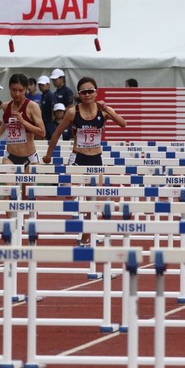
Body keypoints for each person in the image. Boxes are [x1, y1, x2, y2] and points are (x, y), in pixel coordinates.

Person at [43, 76, 125, 245]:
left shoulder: (103, 111)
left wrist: (107, 108)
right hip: (78, 157)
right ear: (79, 94)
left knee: (94, 199)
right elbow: (57, 133)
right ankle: (88, 227)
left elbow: (122, 123)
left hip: (96, 158)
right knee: (68, 193)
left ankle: (86, 236)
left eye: (90, 91)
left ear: (96, 92)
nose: (87, 95)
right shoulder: (73, 112)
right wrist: (48, 155)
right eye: (84, 92)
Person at [0, 73, 45, 167]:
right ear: (9, 88)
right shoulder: (6, 106)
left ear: (26, 89)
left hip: (29, 157)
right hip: (10, 156)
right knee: (9, 181)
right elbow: (6, 122)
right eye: (14, 90)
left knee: (27, 182)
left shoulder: (32, 107)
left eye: (21, 90)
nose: (17, 94)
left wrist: (23, 122)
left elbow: (42, 133)